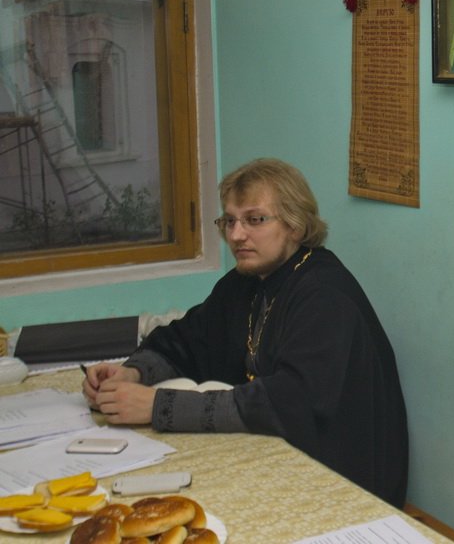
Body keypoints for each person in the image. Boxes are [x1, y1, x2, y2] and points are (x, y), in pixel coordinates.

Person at [82, 158, 409, 508]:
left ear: (295, 225)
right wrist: (133, 373)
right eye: (229, 221)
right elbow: (185, 341)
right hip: (276, 456)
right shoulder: (246, 281)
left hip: (344, 481)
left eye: (255, 220)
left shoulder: (325, 295)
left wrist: (157, 406)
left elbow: (287, 403)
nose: (236, 235)